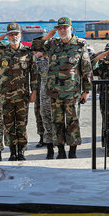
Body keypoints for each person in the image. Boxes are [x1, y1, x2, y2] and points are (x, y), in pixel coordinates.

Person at [31, 17, 92, 159]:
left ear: (71, 28)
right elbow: (35, 46)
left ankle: (72, 151)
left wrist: (86, 91)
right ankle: (61, 151)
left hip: (73, 92)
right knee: (56, 123)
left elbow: (87, 69)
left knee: (73, 122)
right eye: (60, 28)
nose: (63, 31)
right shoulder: (52, 44)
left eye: (65, 28)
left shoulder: (79, 44)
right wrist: (48, 35)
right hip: (55, 92)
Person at [0, 23, 37, 161]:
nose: (13, 37)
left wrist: (34, 91)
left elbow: (34, 74)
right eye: (10, 34)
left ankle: (21, 151)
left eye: (16, 34)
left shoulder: (27, 52)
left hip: (22, 95)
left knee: (22, 125)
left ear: (20, 35)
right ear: (7, 36)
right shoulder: (0, 51)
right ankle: (12, 152)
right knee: (9, 125)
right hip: (5, 96)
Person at [34, 51, 55, 159]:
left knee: (59, 121)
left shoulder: (57, 58)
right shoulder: (38, 61)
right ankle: (48, 145)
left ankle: (61, 146)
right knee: (43, 118)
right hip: (42, 95)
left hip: (58, 95)